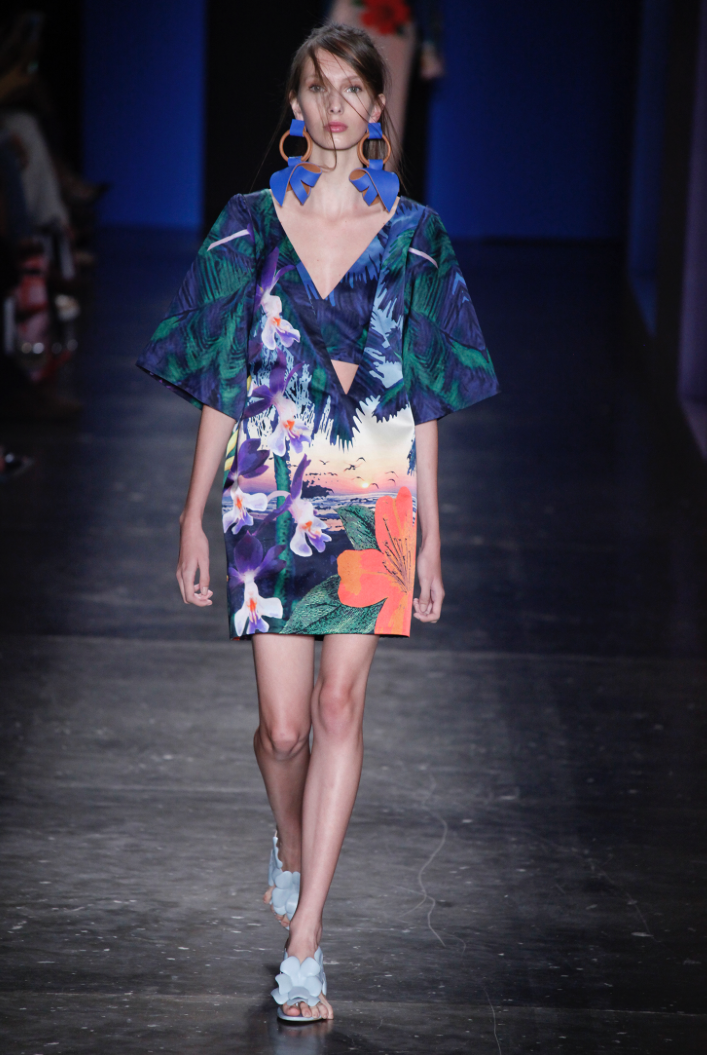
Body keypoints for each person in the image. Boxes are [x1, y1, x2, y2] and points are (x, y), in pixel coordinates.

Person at [138, 22, 498, 1024]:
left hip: (373, 491)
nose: (335, 106)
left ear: (378, 107)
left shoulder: (417, 234)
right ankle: (289, 843)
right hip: (268, 488)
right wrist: (190, 514)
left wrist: (432, 534)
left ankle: (305, 945)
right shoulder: (247, 224)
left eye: (351, 89)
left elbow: (427, 394)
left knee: (340, 709)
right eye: (316, 88)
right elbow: (218, 378)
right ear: (295, 107)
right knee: (284, 728)